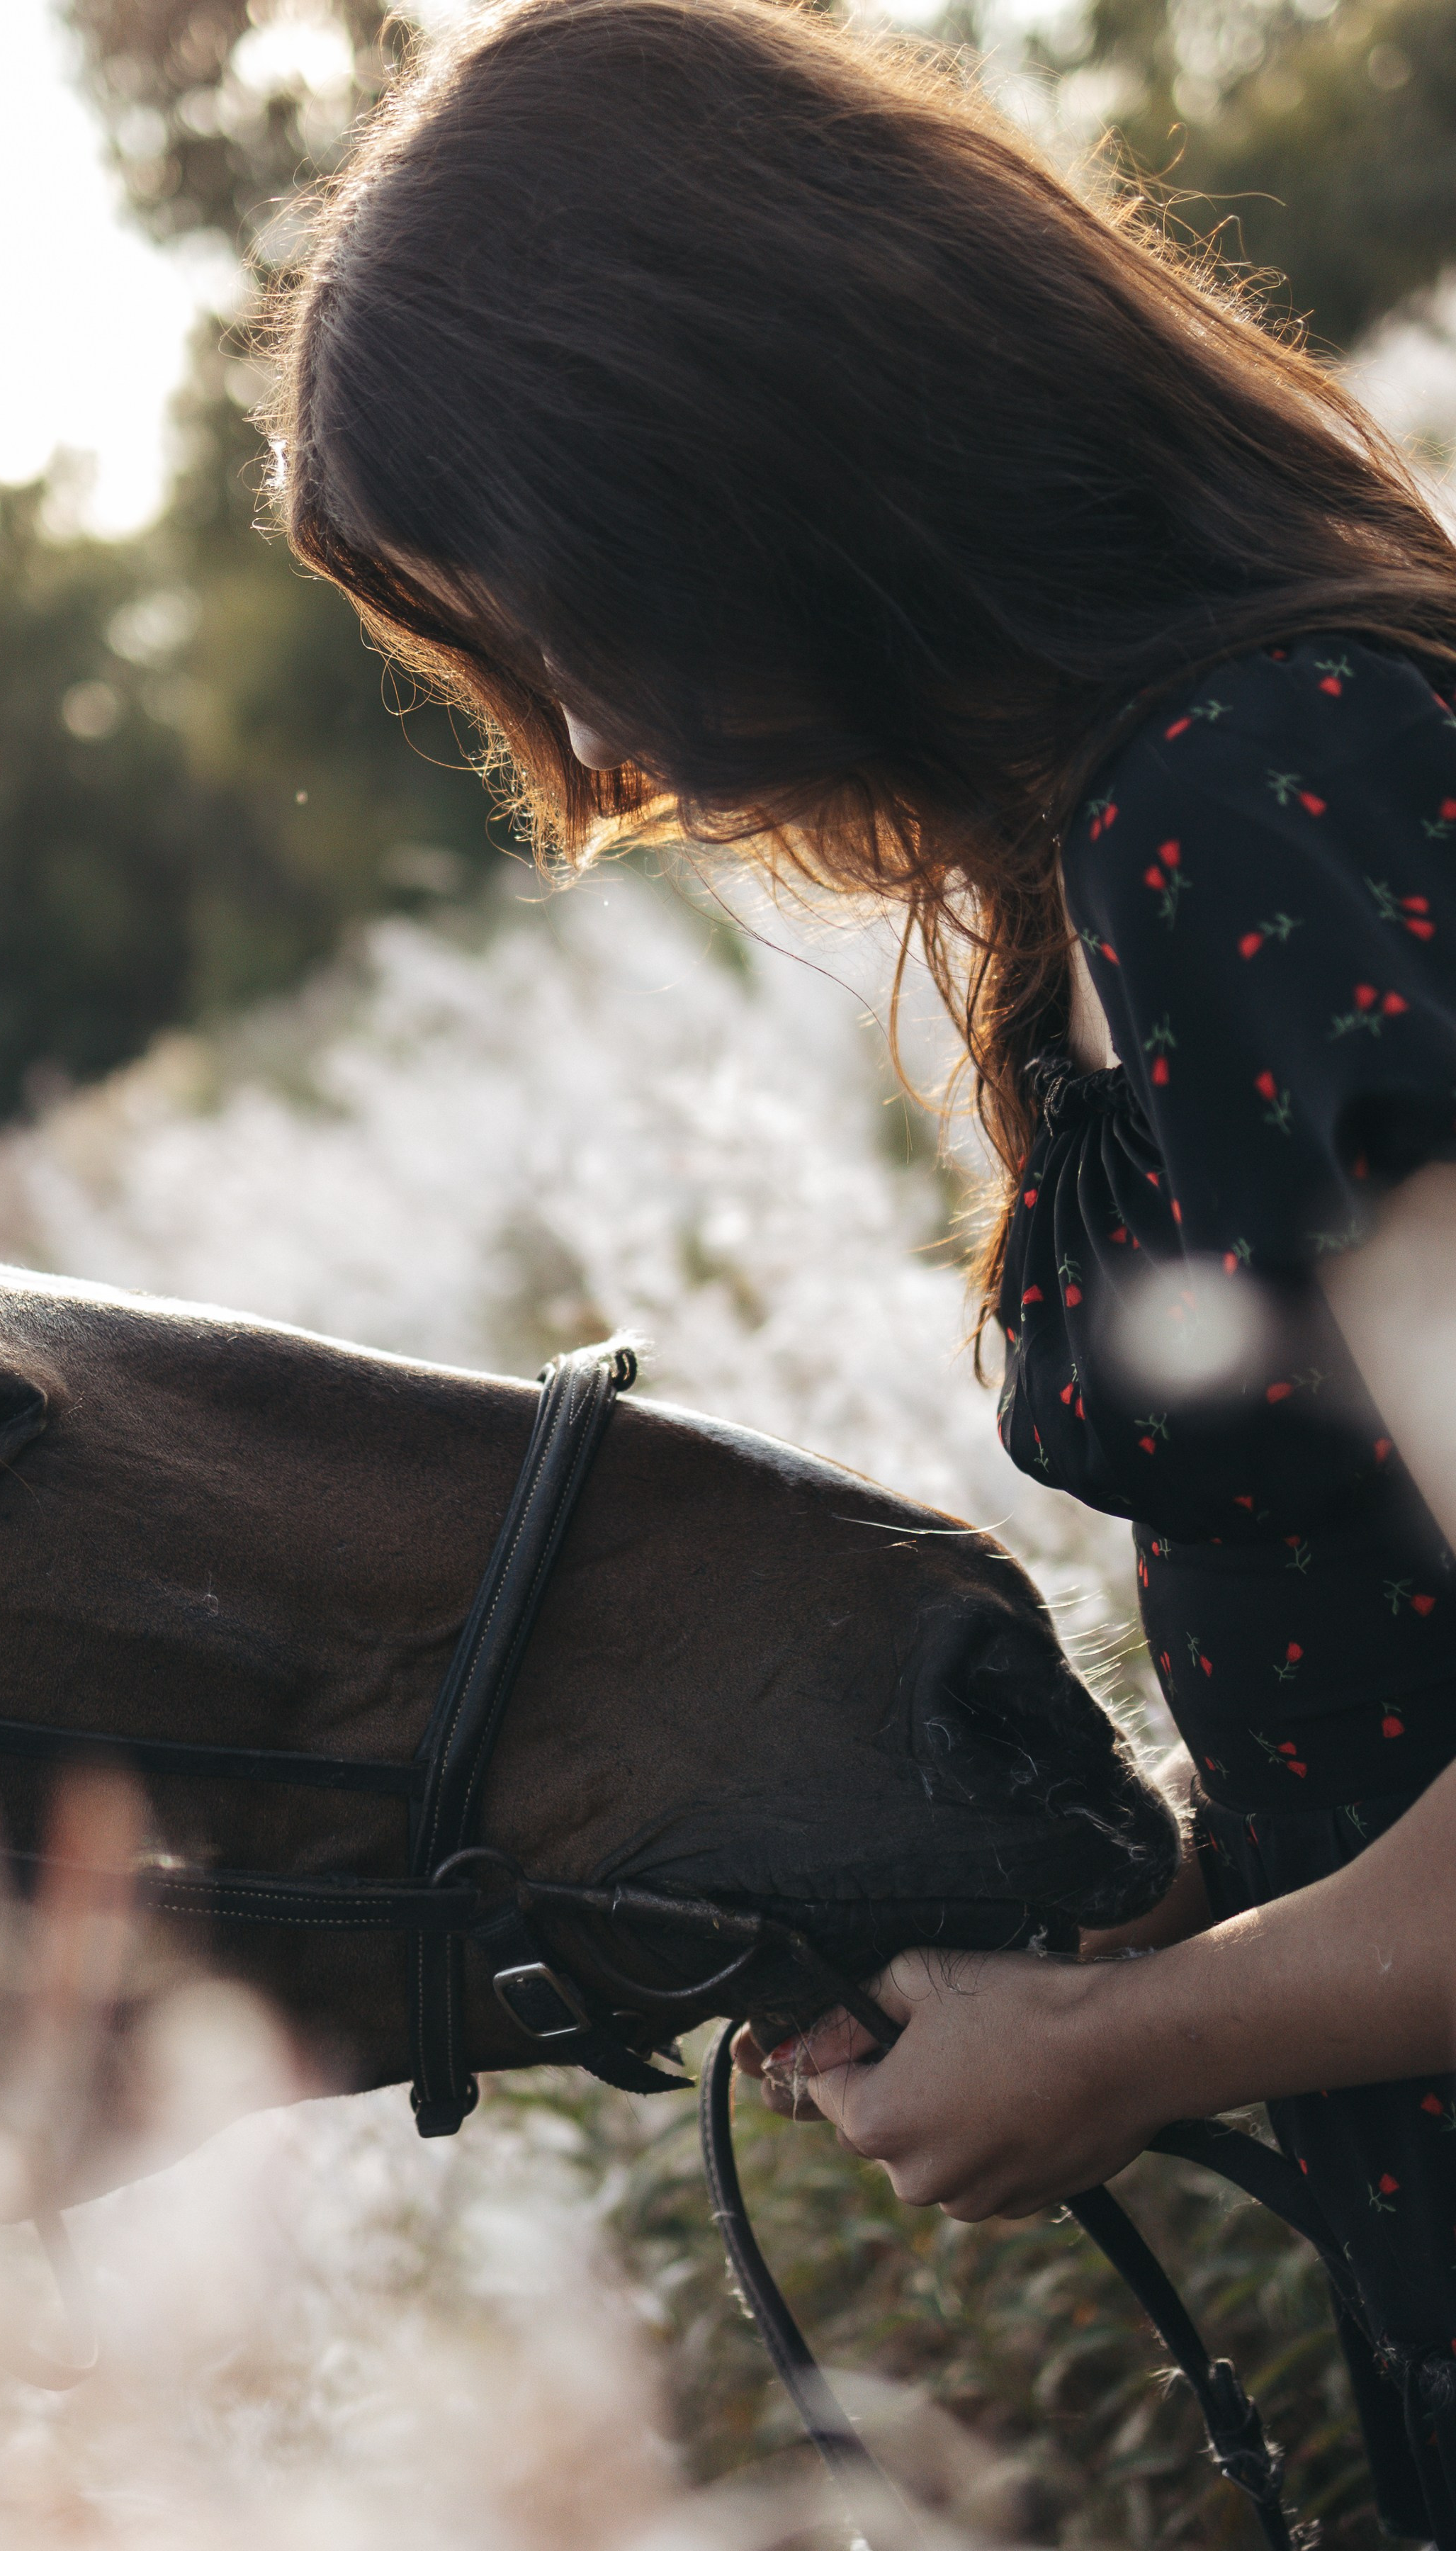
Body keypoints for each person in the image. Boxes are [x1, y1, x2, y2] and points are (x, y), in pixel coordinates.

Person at [267, 0, 1456, 2528]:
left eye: (576, 621)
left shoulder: (1241, 810)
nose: (586, 750)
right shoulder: (1138, 841)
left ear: (762, 465)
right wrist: (1132, 1924)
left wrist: (1141, 2056)